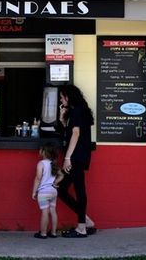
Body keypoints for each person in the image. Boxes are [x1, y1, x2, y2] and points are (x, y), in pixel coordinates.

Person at [56, 84, 97, 238]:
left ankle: (81, 228)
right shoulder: (78, 111)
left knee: (78, 189)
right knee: (63, 188)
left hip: (76, 156)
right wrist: (62, 119)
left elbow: (75, 133)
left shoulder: (77, 111)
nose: (61, 99)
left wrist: (67, 158)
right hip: (80, 155)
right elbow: (71, 130)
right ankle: (86, 221)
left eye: (62, 96)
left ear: (68, 96)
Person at [32, 142, 60, 239]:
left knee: (45, 212)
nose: (39, 151)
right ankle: (53, 233)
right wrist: (55, 182)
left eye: (41, 149)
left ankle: (43, 233)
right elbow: (62, 175)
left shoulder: (41, 163)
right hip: (53, 191)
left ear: (44, 152)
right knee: (53, 211)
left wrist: (34, 191)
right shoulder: (53, 163)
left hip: (43, 192)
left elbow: (38, 178)